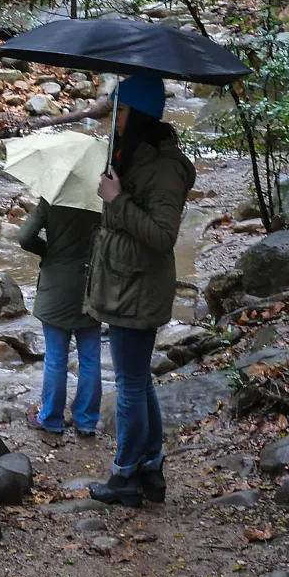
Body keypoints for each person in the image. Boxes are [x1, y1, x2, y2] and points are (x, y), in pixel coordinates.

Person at [85, 71, 196, 507]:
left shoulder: (165, 168)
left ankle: (125, 476)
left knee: (131, 385)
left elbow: (162, 235)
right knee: (139, 381)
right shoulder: (134, 155)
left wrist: (118, 200)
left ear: (143, 115)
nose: (115, 117)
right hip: (124, 282)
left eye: (123, 109)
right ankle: (150, 469)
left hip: (138, 288)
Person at [17, 197, 103, 440]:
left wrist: (47, 249)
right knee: (90, 358)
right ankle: (86, 421)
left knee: (55, 358)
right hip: (91, 287)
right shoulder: (100, 199)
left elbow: (24, 237)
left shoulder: (52, 199)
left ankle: (52, 419)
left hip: (56, 287)